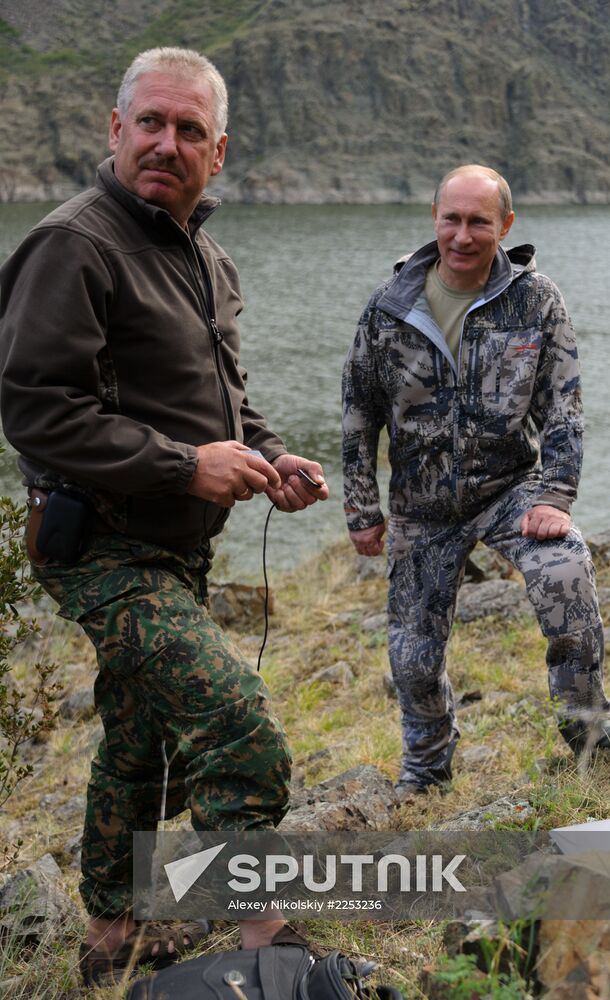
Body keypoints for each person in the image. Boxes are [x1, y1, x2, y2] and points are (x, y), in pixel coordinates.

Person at [0, 47, 329, 984]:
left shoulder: (208, 258)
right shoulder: (75, 244)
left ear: (216, 152)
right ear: (115, 129)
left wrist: (267, 457)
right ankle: (266, 935)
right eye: (149, 121)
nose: (165, 142)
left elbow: (222, 400)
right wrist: (189, 467)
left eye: (189, 130)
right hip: (98, 543)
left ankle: (111, 937)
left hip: (176, 547)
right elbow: (36, 412)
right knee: (236, 722)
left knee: (139, 736)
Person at [342, 164, 610, 797]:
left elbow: (564, 405)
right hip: (421, 506)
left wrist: (555, 496)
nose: (462, 234)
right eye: (451, 219)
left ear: (505, 225)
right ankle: (428, 768)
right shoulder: (389, 305)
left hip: (509, 488)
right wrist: (361, 508)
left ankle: (588, 725)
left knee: (563, 568)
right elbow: (358, 412)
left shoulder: (537, 300)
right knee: (413, 657)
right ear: (434, 219)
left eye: (478, 221)